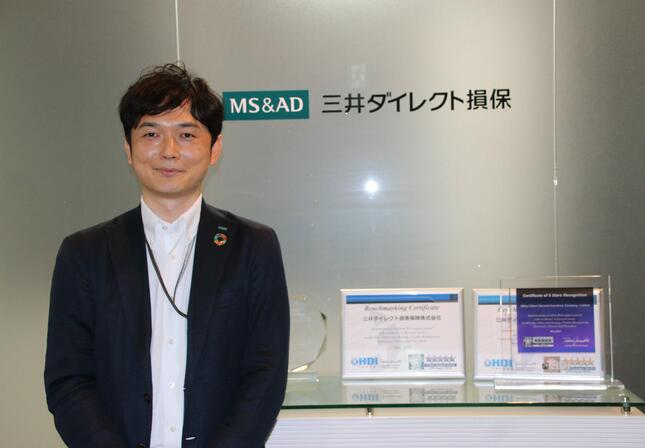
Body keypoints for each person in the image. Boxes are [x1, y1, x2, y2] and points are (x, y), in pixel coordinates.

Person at [44, 63, 290, 448]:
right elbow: (69, 380)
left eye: (186, 134)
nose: (169, 151)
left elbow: (266, 373)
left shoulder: (253, 246)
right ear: (128, 149)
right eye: (151, 134)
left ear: (215, 148)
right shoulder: (84, 253)